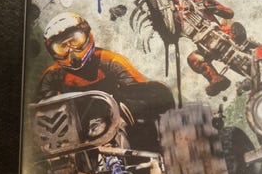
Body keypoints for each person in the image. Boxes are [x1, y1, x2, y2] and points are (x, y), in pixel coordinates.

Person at [37, 11, 174, 120]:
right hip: (74, 134)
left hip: (117, 125)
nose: (71, 51)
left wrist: (124, 104)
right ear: (53, 52)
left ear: (88, 35)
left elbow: (148, 94)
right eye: (62, 47)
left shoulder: (112, 62)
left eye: (75, 40)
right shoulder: (52, 75)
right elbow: (37, 111)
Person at [176, 0, 236, 96]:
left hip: (221, 35)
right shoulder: (178, 13)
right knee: (193, 59)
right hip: (205, 46)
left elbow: (229, 13)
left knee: (235, 32)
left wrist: (214, 8)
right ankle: (215, 79)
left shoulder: (205, 2)